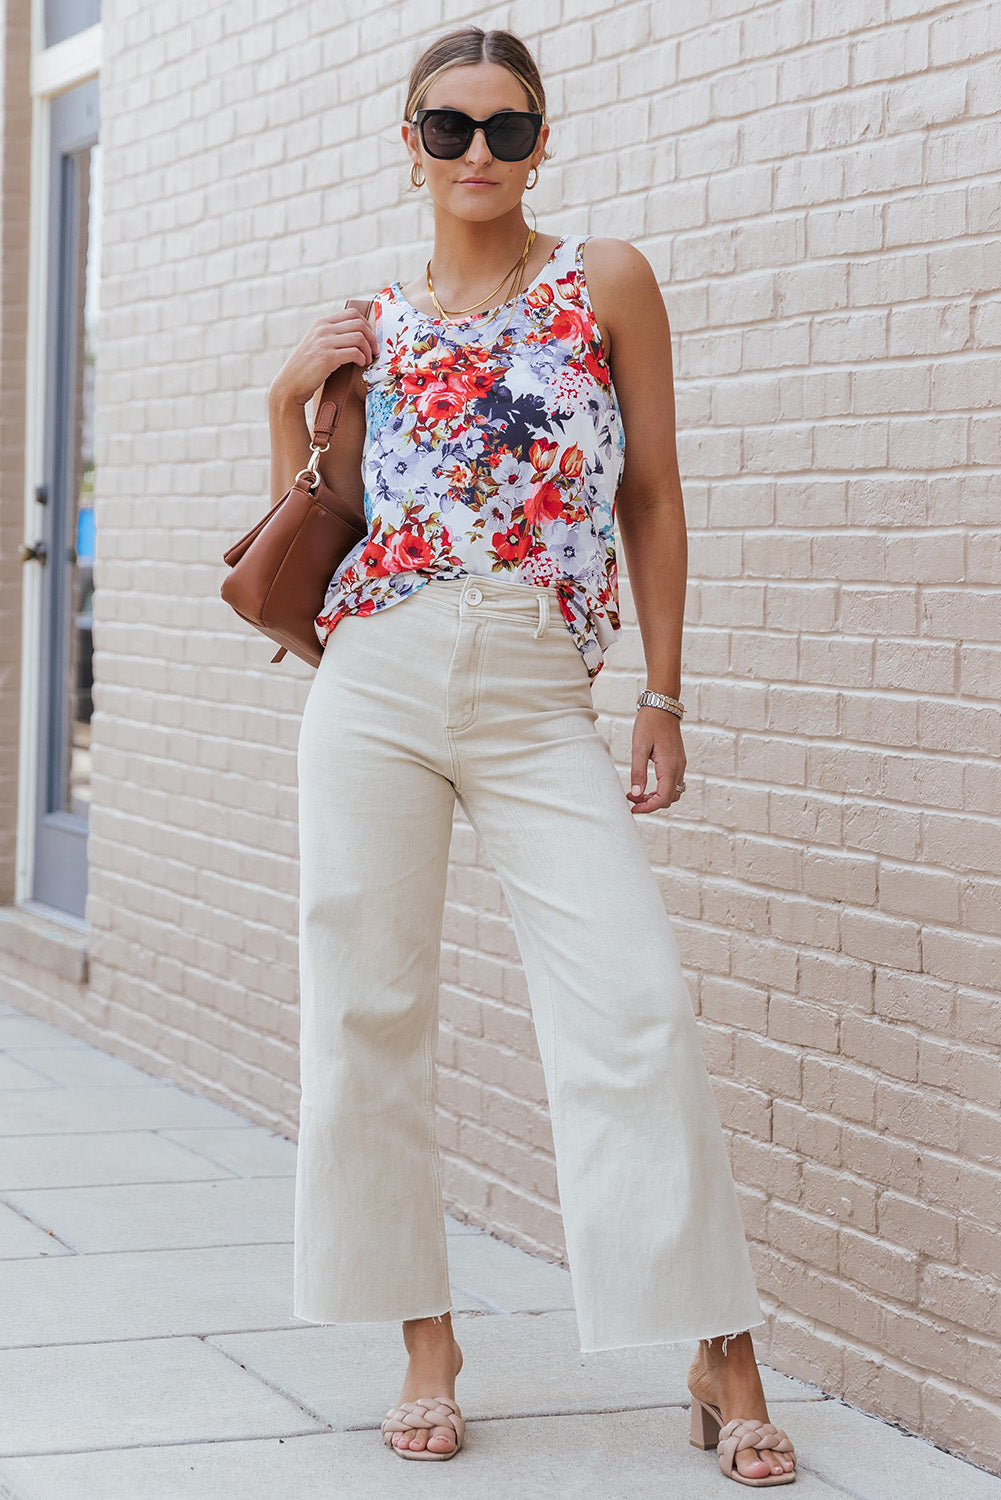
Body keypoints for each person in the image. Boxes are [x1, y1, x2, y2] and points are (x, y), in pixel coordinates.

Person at [267, 25, 797, 1486]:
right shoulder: (373, 322)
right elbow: (313, 557)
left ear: (543, 140)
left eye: (507, 129)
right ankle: (425, 1345)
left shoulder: (602, 279)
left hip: (531, 689)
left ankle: (716, 1343)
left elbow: (652, 493)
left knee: (632, 1005)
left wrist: (665, 694)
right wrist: (284, 402)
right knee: (364, 1012)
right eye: (451, 129)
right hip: (373, 677)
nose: (480, 155)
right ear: (410, 141)